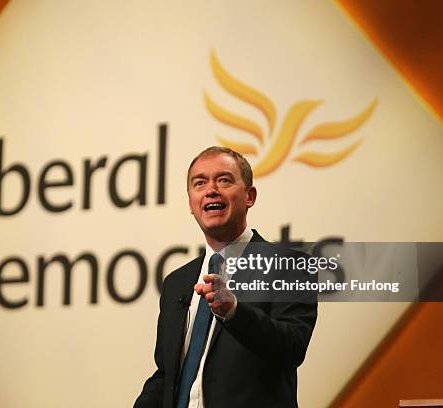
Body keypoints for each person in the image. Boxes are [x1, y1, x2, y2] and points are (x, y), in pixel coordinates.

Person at [134, 146, 317, 408]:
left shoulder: (289, 265)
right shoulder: (177, 282)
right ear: (190, 203)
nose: (211, 190)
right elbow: (166, 376)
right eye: (200, 183)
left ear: (249, 196)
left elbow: (292, 347)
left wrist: (234, 312)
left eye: (224, 180)